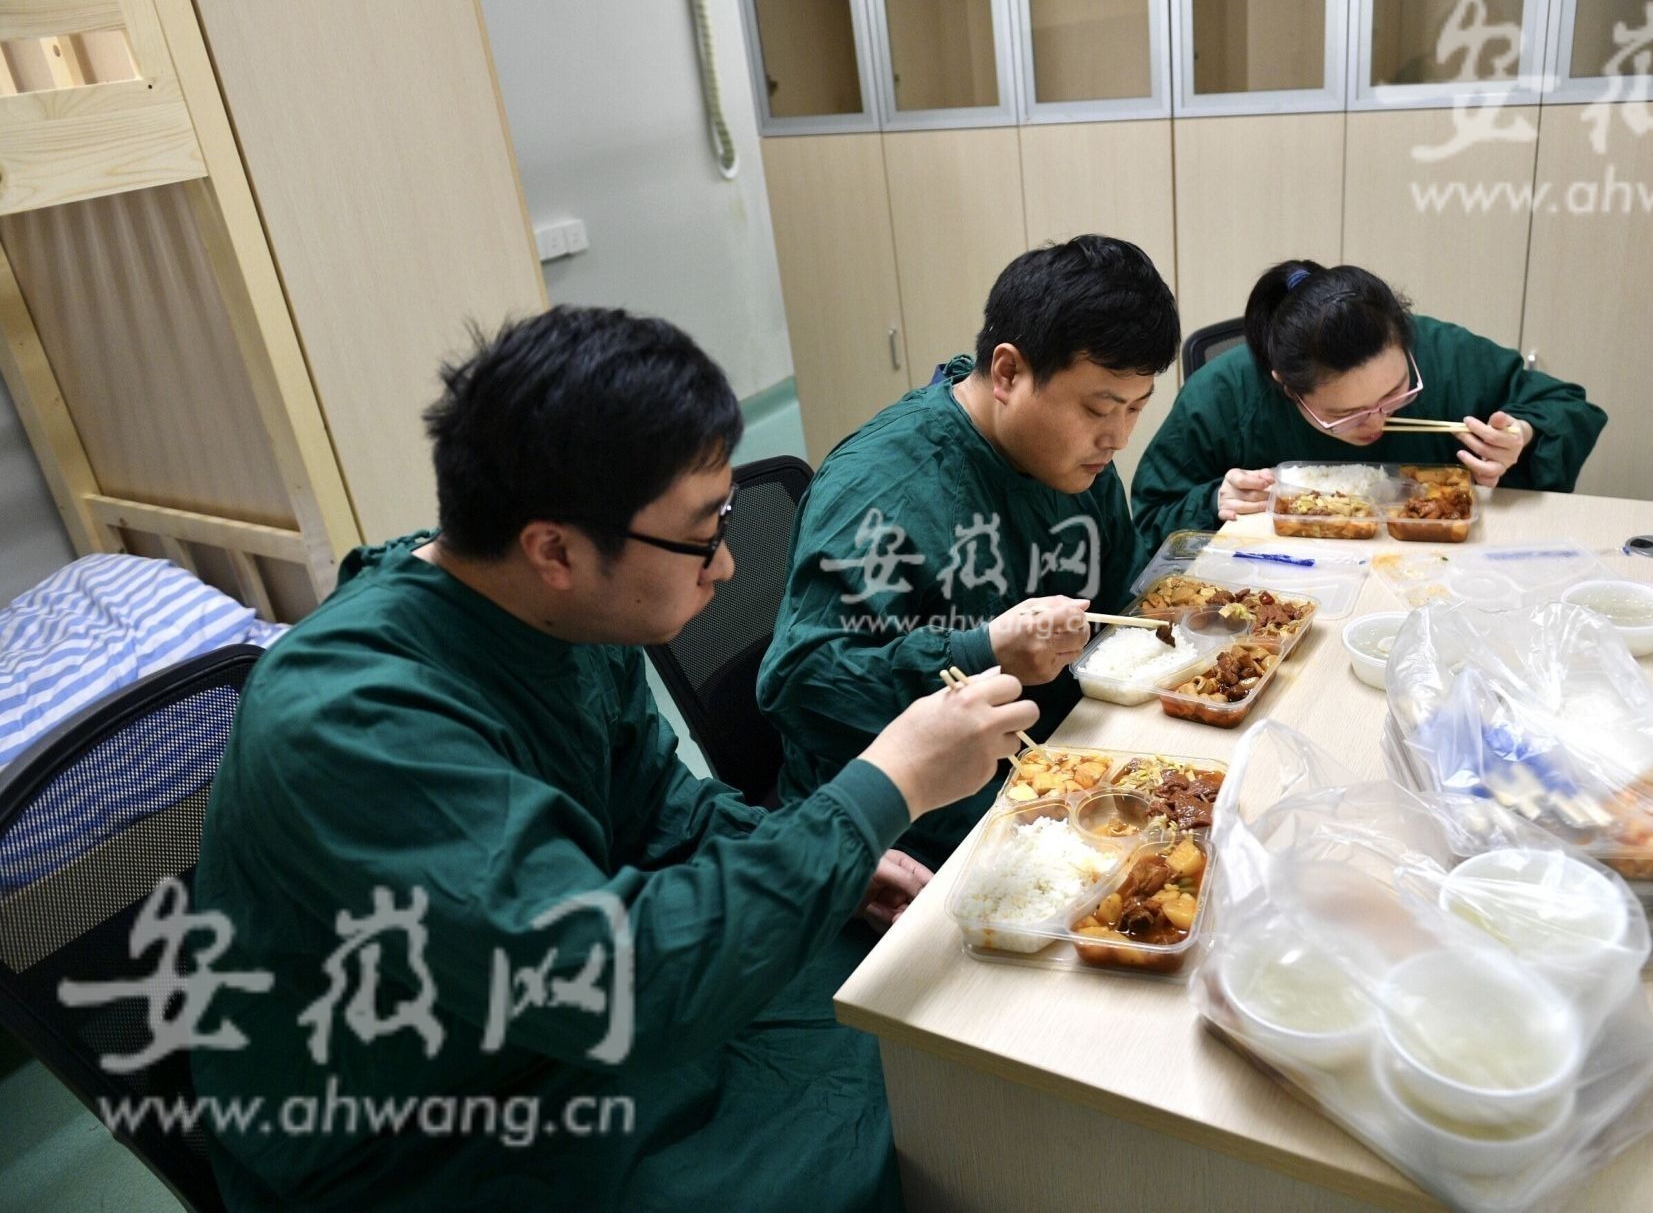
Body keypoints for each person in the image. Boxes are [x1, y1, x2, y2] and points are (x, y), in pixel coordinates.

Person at [190, 307, 1037, 1211]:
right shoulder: (352, 721)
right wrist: (884, 784)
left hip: (568, 1013)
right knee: (902, 1124)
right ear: (554, 548)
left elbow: (662, 806)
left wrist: (828, 849)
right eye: (702, 532)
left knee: (940, 1033)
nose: (724, 567)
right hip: (423, 1127)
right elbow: (606, 984)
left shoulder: (555, 612)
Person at [758, 235, 1181, 867]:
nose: (1118, 436)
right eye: (1100, 407)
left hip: (1060, 769)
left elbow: (1121, 601)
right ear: (1008, 373)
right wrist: (980, 653)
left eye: (1136, 409)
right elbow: (799, 684)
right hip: (915, 833)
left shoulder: (1077, 460)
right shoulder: (884, 488)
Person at [1131, 260, 1608, 546]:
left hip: (1439, 569)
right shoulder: (1225, 393)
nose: (1377, 422)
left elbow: (1567, 406)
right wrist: (1213, 500)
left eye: (1396, 392)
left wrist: (1520, 434)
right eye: (1344, 415)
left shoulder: (1444, 353)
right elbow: (1151, 517)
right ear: (1286, 386)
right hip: (1282, 589)